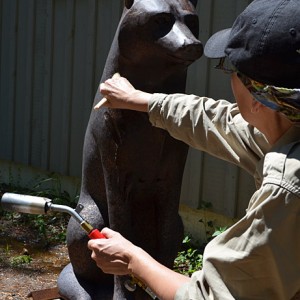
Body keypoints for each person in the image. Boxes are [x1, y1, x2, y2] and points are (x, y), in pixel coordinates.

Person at [88, 0, 300, 299]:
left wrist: (133, 260)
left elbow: (209, 296)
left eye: (231, 68)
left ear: (258, 96)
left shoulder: (288, 186)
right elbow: (220, 121)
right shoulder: (287, 125)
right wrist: (141, 100)